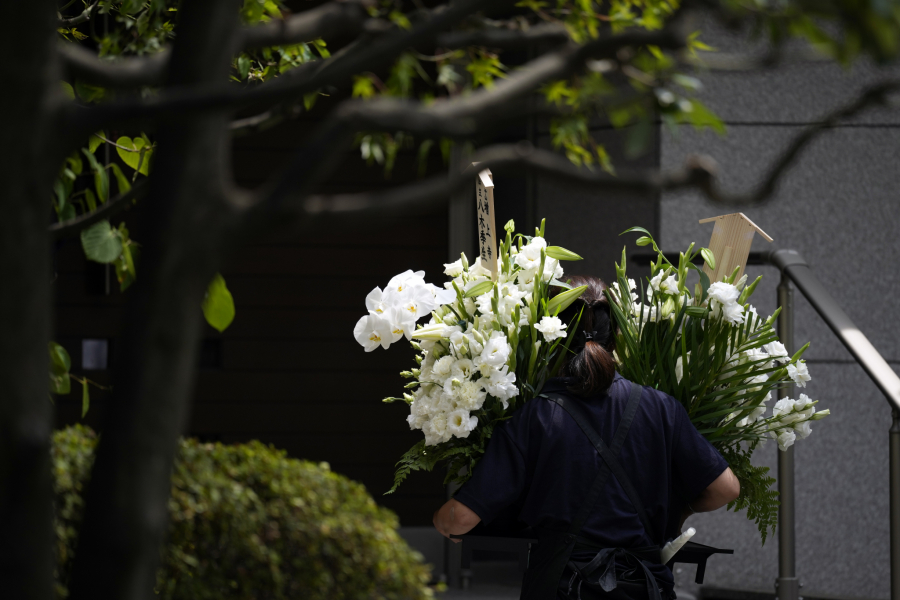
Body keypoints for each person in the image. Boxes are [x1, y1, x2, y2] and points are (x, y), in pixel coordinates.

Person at [433, 275, 740, 600]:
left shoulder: (536, 417)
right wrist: (680, 512)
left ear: (551, 339)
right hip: (644, 586)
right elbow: (726, 488)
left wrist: (444, 522)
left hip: (565, 587)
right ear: (617, 338)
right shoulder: (662, 408)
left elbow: (461, 518)